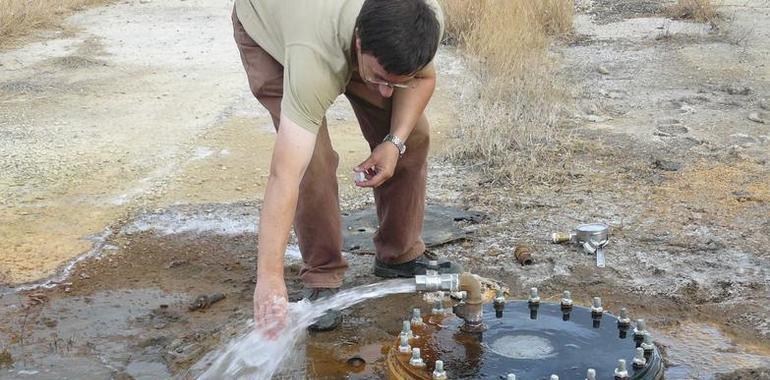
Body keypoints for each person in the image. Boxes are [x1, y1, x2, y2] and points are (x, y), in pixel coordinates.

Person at [231, 0, 461, 337]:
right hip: (272, 31)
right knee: (313, 163)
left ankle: (398, 254)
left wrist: (393, 143)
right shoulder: (313, 56)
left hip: (351, 39)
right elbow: (286, 175)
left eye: (396, 82)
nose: (385, 92)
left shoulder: (423, 16)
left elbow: (422, 79)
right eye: (381, 79)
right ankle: (322, 275)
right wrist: (269, 278)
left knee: (414, 134)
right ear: (358, 43)